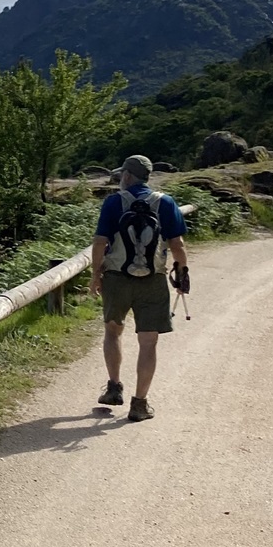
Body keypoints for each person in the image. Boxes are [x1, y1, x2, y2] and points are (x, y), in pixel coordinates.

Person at [89, 155, 189, 421]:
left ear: (127, 176)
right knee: (148, 342)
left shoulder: (114, 202)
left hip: (116, 278)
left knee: (113, 332)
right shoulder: (165, 202)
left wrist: (95, 275)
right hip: (153, 280)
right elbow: (177, 245)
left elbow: (100, 242)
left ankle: (114, 388)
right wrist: (182, 275)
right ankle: (140, 404)